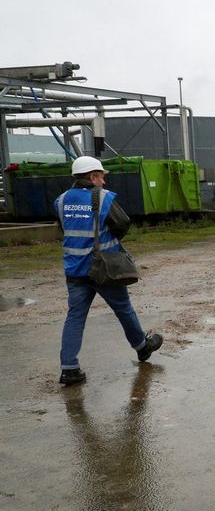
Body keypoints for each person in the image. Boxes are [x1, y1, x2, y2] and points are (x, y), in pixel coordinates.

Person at [54, 156, 163, 386]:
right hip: (104, 269)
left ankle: (69, 369)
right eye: (101, 176)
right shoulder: (103, 198)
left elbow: (63, 228)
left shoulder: (61, 201)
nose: (103, 181)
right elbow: (122, 223)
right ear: (92, 177)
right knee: (124, 309)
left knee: (74, 318)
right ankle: (143, 348)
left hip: (74, 271)